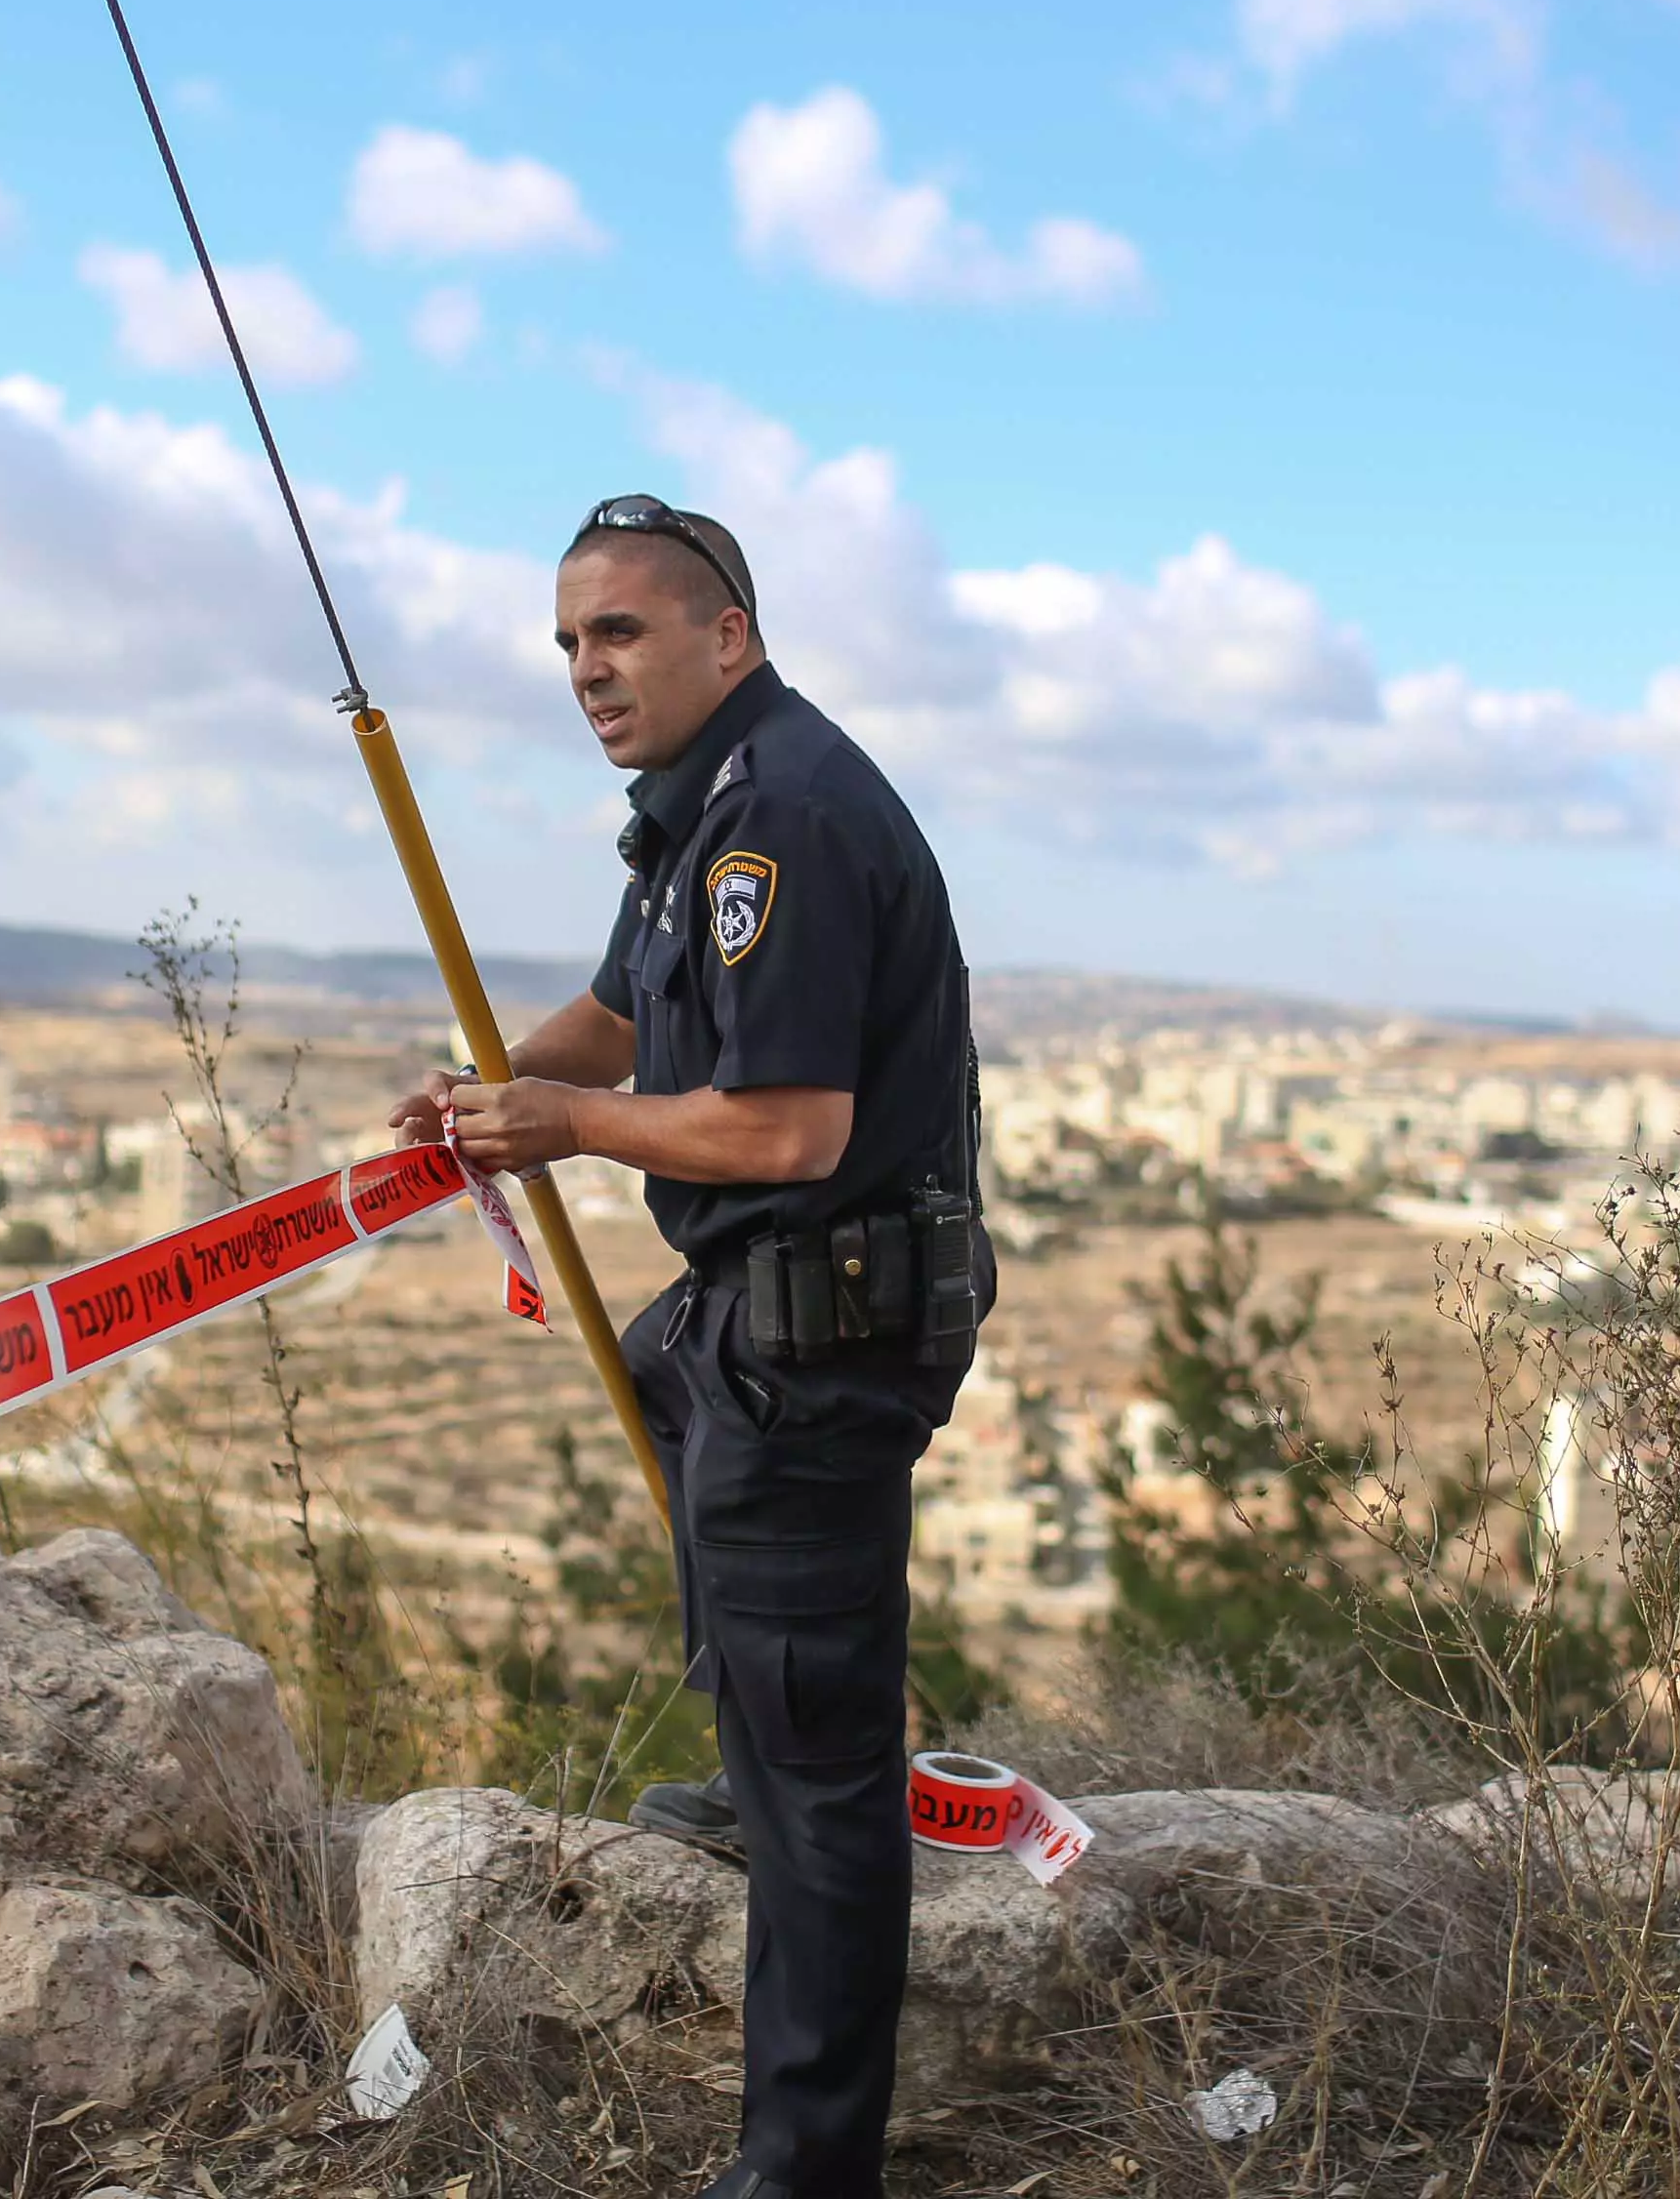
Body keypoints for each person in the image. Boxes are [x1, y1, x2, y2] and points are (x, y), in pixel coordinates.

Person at [390, 492, 991, 2199]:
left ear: (726, 634)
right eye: (571, 643)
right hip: (760, 1316)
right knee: (664, 1384)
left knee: (825, 1791)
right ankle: (769, 1761)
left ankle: (804, 2167)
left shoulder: (779, 819)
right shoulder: (702, 808)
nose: (588, 670)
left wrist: (567, 1121)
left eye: (622, 632)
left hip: (827, 1327)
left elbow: (791, 1127)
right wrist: (492, 1085)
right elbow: (621, 1010)